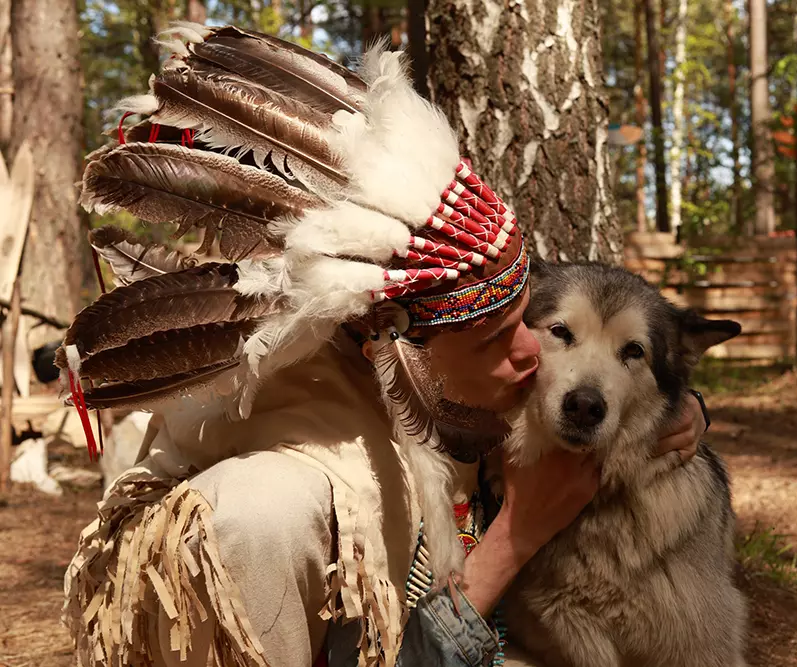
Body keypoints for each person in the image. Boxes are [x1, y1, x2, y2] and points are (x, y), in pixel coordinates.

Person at [58, 23, 709, 667]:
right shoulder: (276, 508)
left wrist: (670, 406)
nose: (533, 354)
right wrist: (515, 537)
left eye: (526, 322)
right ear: (394, 345)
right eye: (495, 337)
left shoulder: (442, 392)